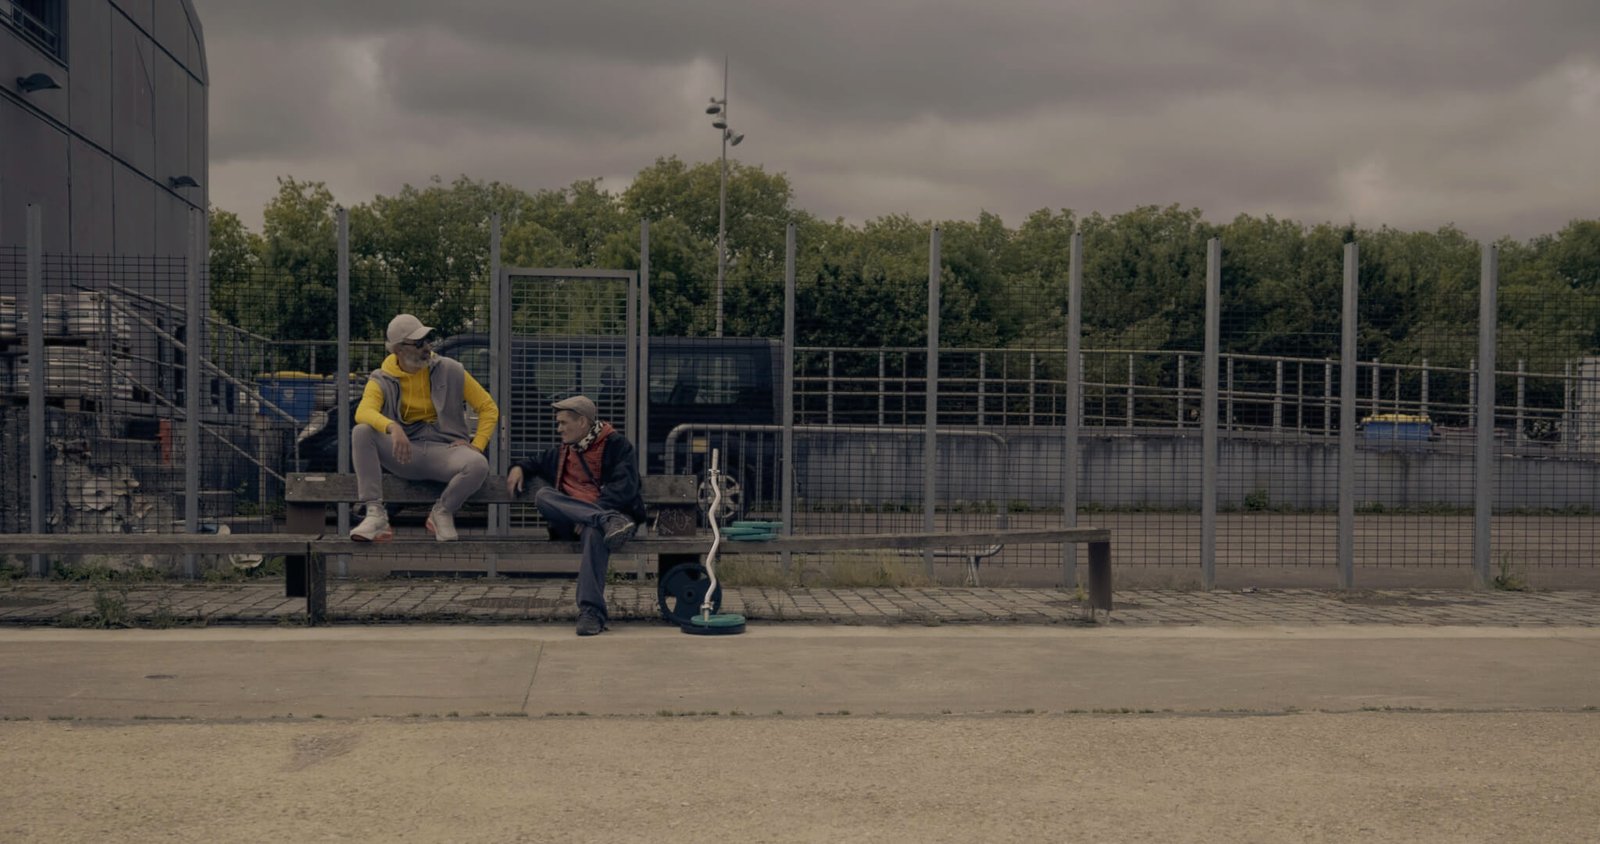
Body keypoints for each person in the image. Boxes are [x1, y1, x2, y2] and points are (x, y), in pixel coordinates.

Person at [350, 314, 499, 542]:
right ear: (398, 349)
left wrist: (477, 445)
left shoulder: (451, 369)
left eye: (428, 340)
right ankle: (375, 514)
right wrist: (393, 427)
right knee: (362, 431)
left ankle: (442, 512)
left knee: (478, 464)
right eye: (419, 343)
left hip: (446, 452)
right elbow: (363, 412)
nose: (427, 347)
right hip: (405, 454)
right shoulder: (381, 378)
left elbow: (488, 407)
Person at [507, 395, 645, 636]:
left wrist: (594, 514)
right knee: (543, 496)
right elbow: (534, 462)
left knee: (595, 532)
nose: (558, 428)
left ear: (582, 422)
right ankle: (601, 519)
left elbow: (625, 487)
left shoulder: (617, 445)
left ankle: (591, 612)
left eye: (563, 423)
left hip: (617, 521)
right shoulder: (563, 452)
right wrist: (519, 467)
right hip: (598, 521)